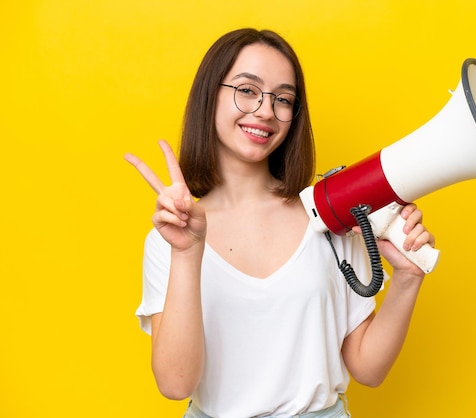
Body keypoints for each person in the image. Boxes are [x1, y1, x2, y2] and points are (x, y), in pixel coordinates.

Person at [125, 28, 434, 418]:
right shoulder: (170, 239)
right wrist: (187, 253)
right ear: (210, 96)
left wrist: (407, 278)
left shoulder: (330, 217)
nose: (266, 111)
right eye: (247, 90)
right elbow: (175, 384)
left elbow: (368, 368)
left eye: (283, 99)